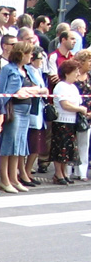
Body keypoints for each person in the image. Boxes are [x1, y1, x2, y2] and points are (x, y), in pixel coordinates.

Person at [0, 40, 46, 193]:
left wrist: (28, 90)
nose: (31, 56)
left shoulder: (28, 70)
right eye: (29, 53)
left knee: (19, 146)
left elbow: (41, 88)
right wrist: (18, 92)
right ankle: (4, 179)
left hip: (26, 110)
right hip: (13, 109)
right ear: (21, 54)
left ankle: (14, 178)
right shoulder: (8, 69)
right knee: (9, 145)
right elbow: (2, 91)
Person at [50, 59, 85, 185]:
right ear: (67, 72)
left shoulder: (73, 87)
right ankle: (58, 173)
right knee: (60, 148)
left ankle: (64, 172)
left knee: (68, 149)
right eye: (75, 71)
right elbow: (65, 105)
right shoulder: (60, 86)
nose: (77, 73)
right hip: (61, 121)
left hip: (72, 121)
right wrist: (80, 109)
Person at [23, 47, 49, 185]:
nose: (41, 61)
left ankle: (27, 171)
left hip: (39, 111)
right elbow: (35, 88)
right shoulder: (28, 71)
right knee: (30, 143)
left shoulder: (38, 72)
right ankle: (23, 172)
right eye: (39, 58)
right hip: (31, 112)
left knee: (37, 145)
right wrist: (41, 90)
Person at [70, 49, 91, 181]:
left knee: (84, 144)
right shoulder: (73, 77)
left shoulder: (90, 76)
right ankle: (69, 170)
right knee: (72, 144)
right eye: (88, 60)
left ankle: (82, 172)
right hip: (73, 113)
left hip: (88, 115)